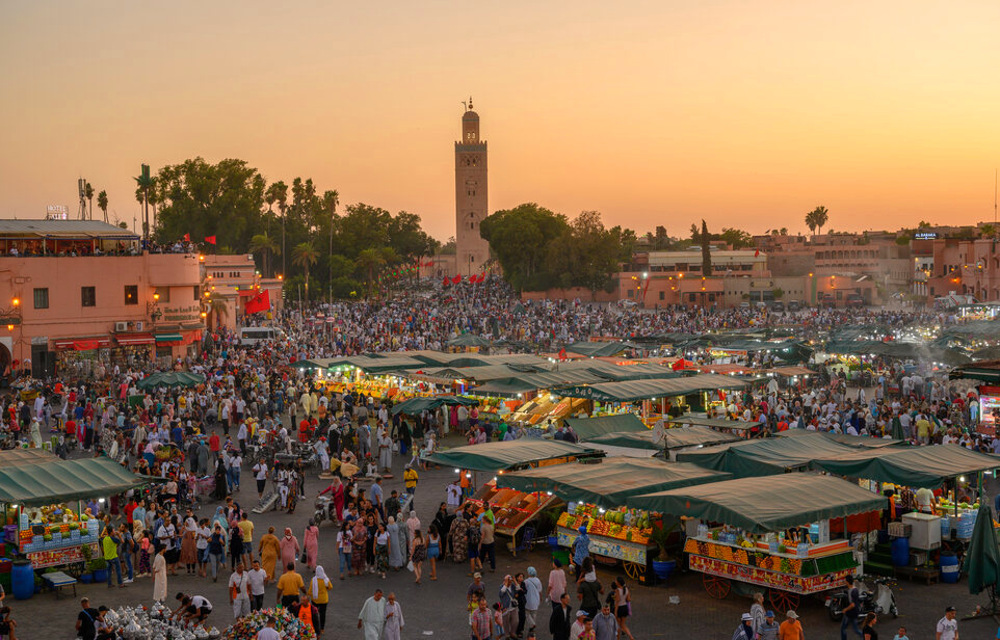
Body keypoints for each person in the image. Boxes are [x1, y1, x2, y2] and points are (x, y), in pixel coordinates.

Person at [311, 566, 332, 634]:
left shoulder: (313, 580)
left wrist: (308, 595)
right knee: (323, 614)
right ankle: (322, 628)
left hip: (315, 600)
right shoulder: (325, 579)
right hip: (324, 600)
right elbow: (330, 587)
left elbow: (310, 590)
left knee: (314, 614)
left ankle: (315, 627)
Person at [842, 574, 863, 640]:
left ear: (847, 582)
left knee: (843, 628)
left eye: (845, 580)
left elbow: (852, 604)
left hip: (850, 613)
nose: (844, 581)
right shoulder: (854, 589)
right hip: (854, 612)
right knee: (855, 629)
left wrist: (845, 609)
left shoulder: (852, 591)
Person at [524, 566, 543, 634]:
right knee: (534, 614)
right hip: (536, 599)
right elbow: (540, 590)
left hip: (528, 599)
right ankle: (532, 627)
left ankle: (532, 624)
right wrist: (540, 598)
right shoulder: (538, 580)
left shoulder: (526, 581)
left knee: (527, 613)